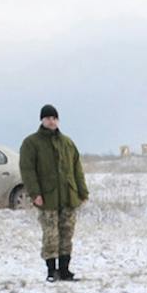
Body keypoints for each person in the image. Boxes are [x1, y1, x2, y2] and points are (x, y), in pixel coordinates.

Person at [18, 103, 88, 282]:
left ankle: (65, 270)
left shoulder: (67, 143)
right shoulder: (31, 143)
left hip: (68, 196)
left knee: (67, 234)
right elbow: (27, 170)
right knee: (51, 235)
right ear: (42, 120)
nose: (51, 121)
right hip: (47, 197)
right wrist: (35, 194)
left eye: (54, 118)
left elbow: (77, 168)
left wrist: (82, 192)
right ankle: (51, 271)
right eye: (48, 118)